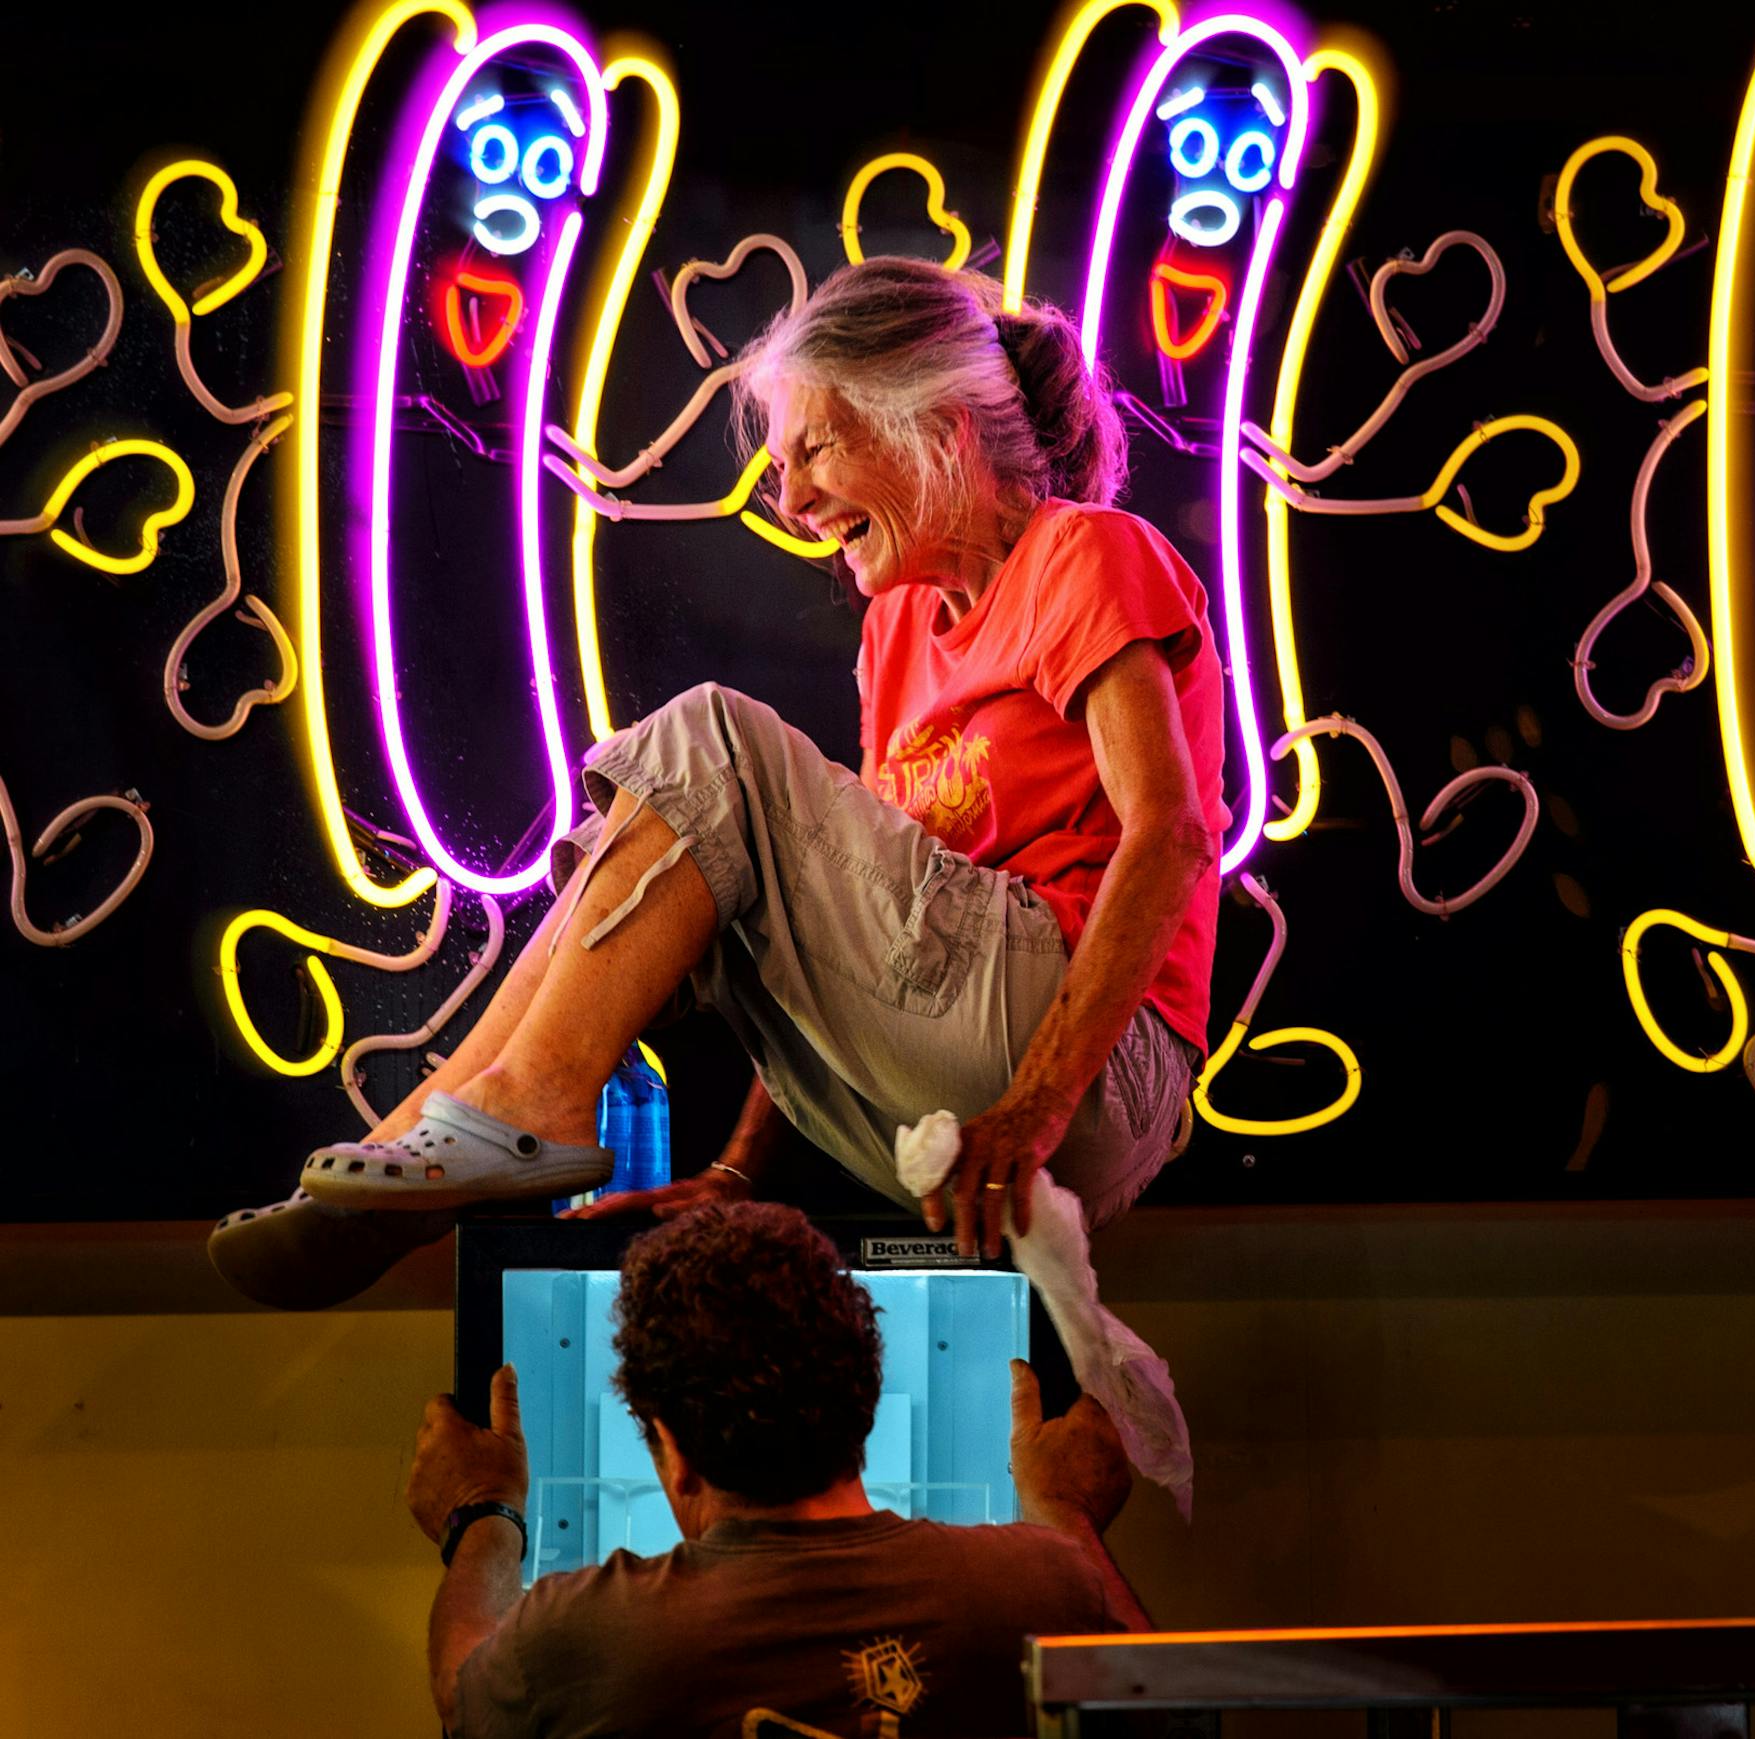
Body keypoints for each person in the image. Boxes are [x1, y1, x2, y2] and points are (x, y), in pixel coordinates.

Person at [209, 256, 1227, 1308]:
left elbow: (1175, 837)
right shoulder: (895, 636)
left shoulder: (1086, 554)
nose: (790, 499)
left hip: (1095, 1074)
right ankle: (421, 1135)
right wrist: (736, 1180)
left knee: (710, 742)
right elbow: (860, 941)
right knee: (658, 838)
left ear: (938, 423)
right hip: (941, 1108)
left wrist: (1039, 1106)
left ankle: (533, 1103)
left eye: (816, 447)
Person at [407, 1201, 1147, 1736]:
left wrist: (482, 1511)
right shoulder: (1040, 1586)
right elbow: (1161, 1706)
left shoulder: (578, 1636)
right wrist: (1066, 1509)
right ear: (863, 1406)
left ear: (676, 1449)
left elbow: (459, 1694)